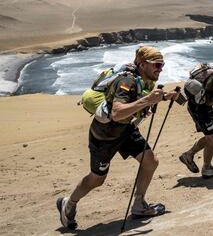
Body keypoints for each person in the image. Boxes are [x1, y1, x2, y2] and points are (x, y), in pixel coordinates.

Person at [57, 46, 179, 229]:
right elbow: (117, 112)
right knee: (97, 178)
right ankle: (69, 203)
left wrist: (165, 97)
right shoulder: (126, 80)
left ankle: (139, 205)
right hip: (105, 136)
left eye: (162, 65)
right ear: (143, 64)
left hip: (126, 130)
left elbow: (140, 98)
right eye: (157, 65)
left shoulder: (144, 81)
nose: (160, 69)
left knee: (150, 161)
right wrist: (148, 101)